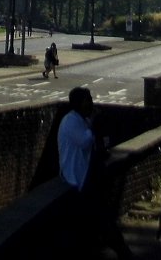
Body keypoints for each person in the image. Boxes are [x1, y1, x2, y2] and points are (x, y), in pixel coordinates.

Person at [58, 86, 133, 259]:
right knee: (100, 219)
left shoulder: (82, 120)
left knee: (98, 219)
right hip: (77, 178)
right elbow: (85, 141)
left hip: (86, 178)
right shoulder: (71, 121)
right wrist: (95, 125)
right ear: (79, 103)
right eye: (88, 100)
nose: (91, 103)